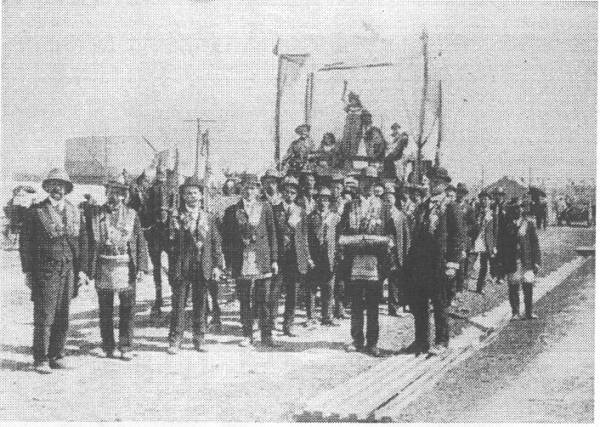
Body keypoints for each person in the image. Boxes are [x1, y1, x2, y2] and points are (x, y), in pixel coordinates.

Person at [20, 169, 86, 374]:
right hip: (45, 271)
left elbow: (83, 243)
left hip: (68, 270)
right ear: (47, 187)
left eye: (62, 185)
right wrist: (28, 273)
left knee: (63, 315)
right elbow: (25, 245)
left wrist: (82, 271)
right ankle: (41, 358)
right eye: (54, 185)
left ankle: (57, 355)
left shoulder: (75, 211)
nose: (58, 189)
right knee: (44, 316)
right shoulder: (36, 212)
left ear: (67, 189)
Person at [80, 176, 149, 360]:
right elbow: (87, 242)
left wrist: (142, 266)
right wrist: (85, 269)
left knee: (127, 307)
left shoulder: (132, 214)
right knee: (105, 308)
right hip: (103, 262)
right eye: (112, 192)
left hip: (125, 265)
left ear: (124, 196)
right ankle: (108, 346)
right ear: (106, 193)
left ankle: (125, 346)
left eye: (119, 193)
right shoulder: (95, 214)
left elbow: (140, 241)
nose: (115, 196)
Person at [404, 166, 461, 356]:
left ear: (445, 184)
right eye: (432, 181)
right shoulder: (423, 206)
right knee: (420, 304)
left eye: (438, 181)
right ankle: (421, 341)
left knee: (440, 303)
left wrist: (452, 263)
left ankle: (442, 341)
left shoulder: (450, 207)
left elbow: (457, 237)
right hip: (421, 265)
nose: (433, 184)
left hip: (439, 264)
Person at [166, 176, 223, 354]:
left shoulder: (208, 217)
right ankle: (175, 340)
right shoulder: (175, 216)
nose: (192, 196)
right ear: (183, 196)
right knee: (179, 304)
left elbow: (215, 242)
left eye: (195, 193)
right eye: (188, 193)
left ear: (200, 195)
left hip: (203, 266)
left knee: (201, 303)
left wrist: (216, 265)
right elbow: (169, 244)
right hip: (182, 266)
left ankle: (199, 338)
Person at [222, 177, 279, 347]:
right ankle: (247, 334)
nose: (249, 191)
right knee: (244, 299)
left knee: (263, 299)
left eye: (253, 188)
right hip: (242, 259)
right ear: (241, 189)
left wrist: (274, 259)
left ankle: (266, 334)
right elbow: (228, 239)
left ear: (258, 190)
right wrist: (229, 262)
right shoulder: (232, 210)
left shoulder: (265, 207)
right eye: (246, 188)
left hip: (262, 259)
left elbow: (272, 234)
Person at [338, 167, 387, 357]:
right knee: (356, 302)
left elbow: (388, 233)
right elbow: (343, 231)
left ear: (376, 184)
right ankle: (357, 339)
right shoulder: (351, 206)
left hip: (374, 261)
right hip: (355, 260)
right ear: (360, 183)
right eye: (365, 181)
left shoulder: (382, 207)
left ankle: (373, 342)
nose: (368, 185)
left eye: (372, 182)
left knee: (373, 304)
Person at [277, 176, 311, 336]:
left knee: (293, 293)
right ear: (282, 192)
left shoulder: (300, 211)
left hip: (295, 257)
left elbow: (304, 236)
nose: (289, 195)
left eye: (292, 192)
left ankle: (288, 325)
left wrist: (307, 256)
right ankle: (269, 323)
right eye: (286, 192)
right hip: (278, 256)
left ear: (296, 194)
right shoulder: (274, 209)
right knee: (274, 292)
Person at [306, 187, 341, 326]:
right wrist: (308, 257)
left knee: (328, 288)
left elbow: (339, 239)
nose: (323, 202)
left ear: (330, 202)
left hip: (330, 258)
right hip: (314, 258)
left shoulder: (336, 218)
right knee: (311, 289)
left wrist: (338, 257)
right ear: (316, 200)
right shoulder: (310, 217)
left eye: (326, 200)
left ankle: (327, 317)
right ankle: (310, 317)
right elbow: (306, 239)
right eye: (320, 199)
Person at [503, 201, 542, 320]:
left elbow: (535, 243)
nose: (518, 210)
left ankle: (529, 312)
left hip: (527, 260)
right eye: (515, 208)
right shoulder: (507, 224)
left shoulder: (529, 223)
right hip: (513, 260)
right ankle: (515, 312)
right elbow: (503, 244)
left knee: (528, 286)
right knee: (513, 287)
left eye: (520, 207)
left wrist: (537, 261)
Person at [260, 169, 287, 332]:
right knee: (262, 287)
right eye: (268, 181)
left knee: (276, 288)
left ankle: (273, 319)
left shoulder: (283, 201)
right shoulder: (260, 200)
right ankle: (261, 319)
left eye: (274, 181)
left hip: (281, 248)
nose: (271, 184)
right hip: (264, 247)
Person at [145, 165, 172, 314]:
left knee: (174, 263)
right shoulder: (150, 190)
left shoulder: (172, 189)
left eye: (163, 173)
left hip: (169, 229)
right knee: (156, 267)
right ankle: (158, 296)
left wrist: (168, 213)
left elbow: (175, 206)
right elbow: (146, 208)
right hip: (155, 228)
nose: (161, 176)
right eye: (159, 173)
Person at [382, 183, 411, 317]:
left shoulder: (401, 216)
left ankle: (395, 307)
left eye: (390, 199)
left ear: (394, 200)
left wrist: (406, 253)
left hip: (395, 253)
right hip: (381, 251)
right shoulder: (379, 215)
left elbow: (406, 237)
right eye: (385, 200)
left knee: (395, 279)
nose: (388, 202)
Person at [472, 191, 497, 294]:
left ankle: (480, 286)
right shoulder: (476, 212)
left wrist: (494, 245)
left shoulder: (492, 214)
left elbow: (495, 230)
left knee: (484, 266)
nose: (484, 201)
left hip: (486, 242)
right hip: (476, 240)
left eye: (486, 199)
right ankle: (463, 285)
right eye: (482, 199)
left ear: (490, 201)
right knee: (470, 263)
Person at [455, 183, 476, 293]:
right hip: (453, 239)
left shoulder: (469, 208)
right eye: (459, 192)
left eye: (463, 193)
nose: (460, 195)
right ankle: (454, 287)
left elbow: (473, 224)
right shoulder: (452, 205)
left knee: (463, 264)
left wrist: (464, 230)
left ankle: (461, 287)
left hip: (464, 239)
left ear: (466, 195)